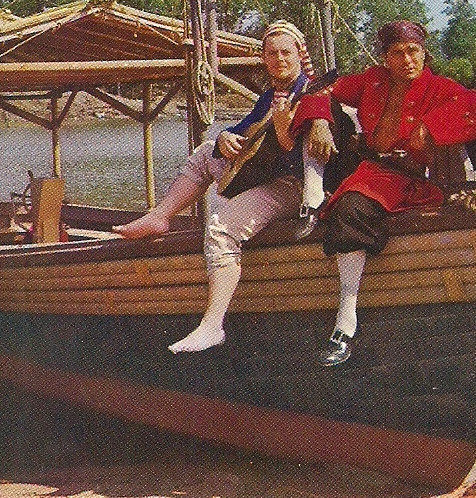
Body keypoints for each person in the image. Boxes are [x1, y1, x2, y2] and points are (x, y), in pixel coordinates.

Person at [291, 20, 476, 366]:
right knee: (327, 119)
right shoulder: (372, 80)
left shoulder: (440, 88)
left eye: (413, 51)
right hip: (368, 169)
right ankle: (313, 199)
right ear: (385, 57)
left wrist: (432, 125)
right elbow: (318, 89)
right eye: (397, 53)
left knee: (351, 209)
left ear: (424, 53)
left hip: (409, 179)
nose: (407, 60)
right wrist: (321, 122)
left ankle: (345, 321)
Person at [113, 20, 321, 353]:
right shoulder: (270, 96)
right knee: (206, 150)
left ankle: (212, 325)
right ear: (264, 59)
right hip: (266, 176)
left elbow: (308, 156)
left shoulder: (313, 94)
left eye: (286, 52)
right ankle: (161, 216)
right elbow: (244, 129)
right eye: (272, 54)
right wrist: (225, 137)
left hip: (296, 186)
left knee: (220, 227)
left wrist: (284, 131)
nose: (279, 59)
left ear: (300, 54)